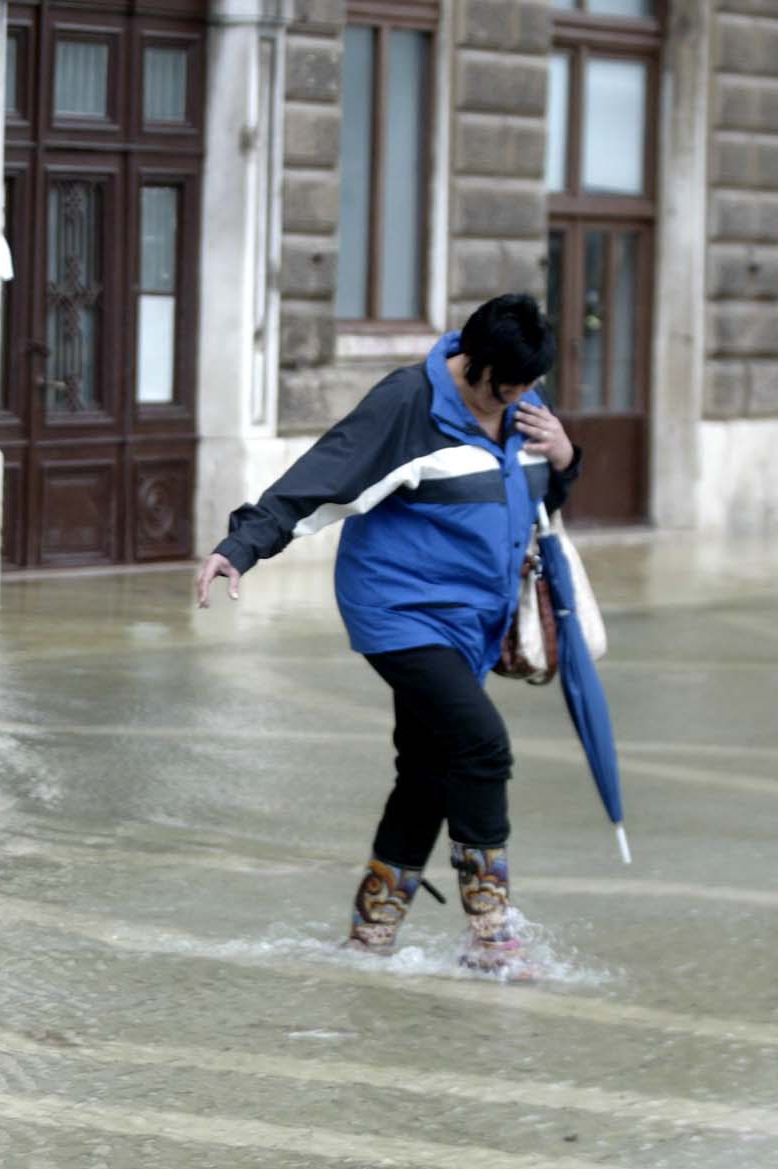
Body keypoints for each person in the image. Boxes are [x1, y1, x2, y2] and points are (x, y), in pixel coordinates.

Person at [194, 294, 578, 973]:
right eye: (506, 387)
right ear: (474, 362)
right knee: (482, 746)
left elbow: (534, 500)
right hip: (399, 613)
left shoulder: (521, 406)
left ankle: (369, 935)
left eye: (528, 386)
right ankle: (491, 938)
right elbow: (322, 476)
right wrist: (242, 545)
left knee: (427, 773)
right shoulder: (409, 403)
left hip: (472, 623)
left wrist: (565, 456)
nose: (517, 399)